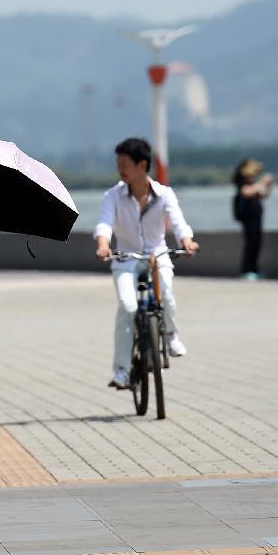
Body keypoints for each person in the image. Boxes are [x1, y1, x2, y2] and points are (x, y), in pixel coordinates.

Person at [94, 138, 199, 390]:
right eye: (118, 163)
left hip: (157, 255)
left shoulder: (164, 194)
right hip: (126, 259)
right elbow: (104, 224)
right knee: (128, 307)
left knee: (166, 292)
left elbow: (178, 222)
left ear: (142, 165)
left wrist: (187, 241)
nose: (120, 168)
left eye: (125, 163)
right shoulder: (113, 196)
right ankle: (121, 370)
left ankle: (171, 335)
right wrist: (102, 245)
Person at [233, 158, 273, 280]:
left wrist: (268, 186)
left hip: (257, 217)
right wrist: (262, 182)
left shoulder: (253, 183)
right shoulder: (242, 183)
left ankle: (254, 269)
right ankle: (246, 270)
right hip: (248, 218)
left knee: (257, 243)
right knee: (250, 243)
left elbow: (263, 195)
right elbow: (247, 193)